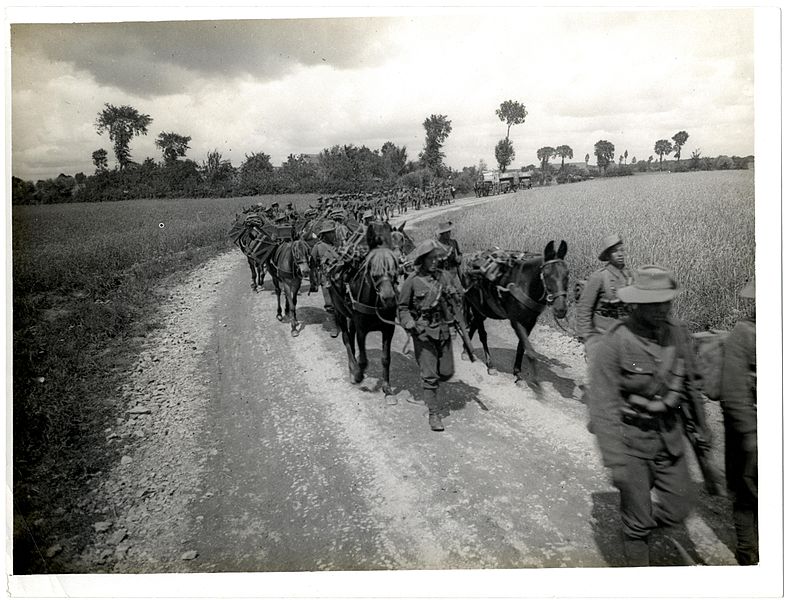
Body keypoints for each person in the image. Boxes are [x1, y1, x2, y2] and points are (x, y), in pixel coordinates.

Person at [586, 265, 706, 566]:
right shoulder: (614, 343)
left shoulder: (677, 333)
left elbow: (689, 386)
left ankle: (647, 526)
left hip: (669, 440)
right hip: (632, 445)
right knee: (638, 524)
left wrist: (702, 429)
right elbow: (603, 407)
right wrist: (616, 462)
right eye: (653, 304)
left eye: (666, 302)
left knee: (681, 505)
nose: (661, 309)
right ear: (636, 303)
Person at [398, 240, 462, 432]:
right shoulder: (412, 280)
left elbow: (455, 300)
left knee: (447, 370)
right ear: (423, 260)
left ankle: (429, 392)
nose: (435, 261)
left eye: (436, 258)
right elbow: (402, 307)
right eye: (431, 258)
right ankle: (434, 413)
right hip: (423, 332)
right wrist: (409, 323)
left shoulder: (443, 277)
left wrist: (454, 297)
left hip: (442, 329)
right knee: (430, 375)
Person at [720, 278, 757, 565]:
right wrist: (752, 436)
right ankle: (749, 555)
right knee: (746, 495)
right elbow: (733, 394)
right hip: (749, 431)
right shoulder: (744, 334)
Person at [577, 234, 634, 354]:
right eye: (614, 251)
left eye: (621, 250)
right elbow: (584, 308)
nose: (620, 254)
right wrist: (587, 337)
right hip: (602, 335)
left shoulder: (630, 276)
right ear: (608, 255)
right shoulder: (599, 277)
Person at [310, 222, 341, 337]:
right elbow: (312, 265)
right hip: (326, 278)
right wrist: (313, 281)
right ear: (325, 234)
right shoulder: (317, 247)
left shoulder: (339, 245)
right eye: (330, 232)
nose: (333, 234)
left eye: (333, 231)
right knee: (329, 304)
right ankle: (333, 325)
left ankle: (342, 321)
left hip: (341, 277)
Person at [435, 221, 463, 293]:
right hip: (443, 274)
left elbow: (459, 254)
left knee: (460, 292)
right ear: (442, 234)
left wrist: (459, 258)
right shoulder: (437, 246)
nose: (449, 234)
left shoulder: (453, 242)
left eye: (449, 232)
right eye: (446, 233)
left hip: (454, 271)